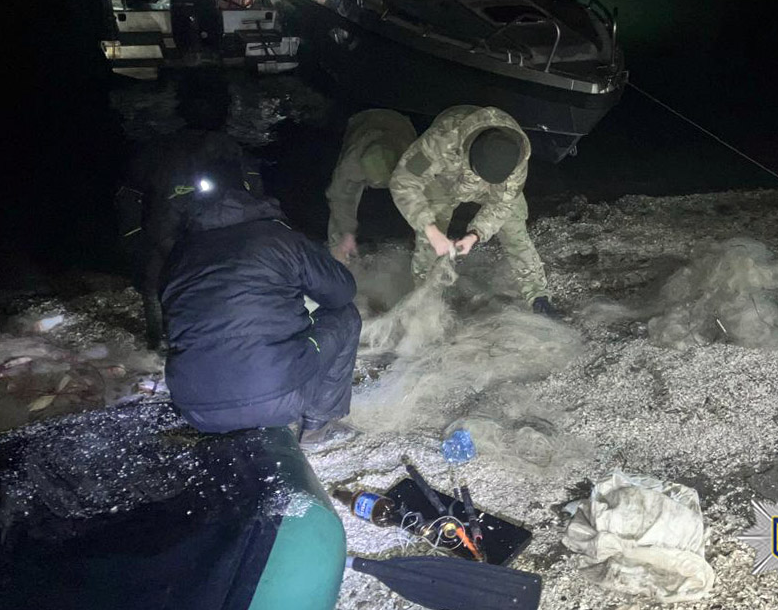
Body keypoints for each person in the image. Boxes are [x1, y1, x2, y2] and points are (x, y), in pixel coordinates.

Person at [160, 184, 362, 448]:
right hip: (277, 398)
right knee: (345, 315)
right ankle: (317, 427)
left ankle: (231, 420)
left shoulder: (179, 255)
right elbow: (342, 293)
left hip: (196, 410)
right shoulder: (278, 238)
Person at [115, 81, 262, 348]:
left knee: (159, 287)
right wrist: (133, 233)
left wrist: (133, 233)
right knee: (160, 287)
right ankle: (164, 342)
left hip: (184, 237)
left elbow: (130, 194)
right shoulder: (226, 149)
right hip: (191, 238)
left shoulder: (163, 149)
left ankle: (165, 343)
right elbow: (253, 196)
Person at [389, 105, 560, 317]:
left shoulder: (516, 158)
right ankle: (424, 300)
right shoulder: (443, 139)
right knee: (430, 241)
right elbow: (403, 181)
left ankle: (539, 297)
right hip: (445, 182)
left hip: (492, 188)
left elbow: (502, 205)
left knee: (515, 229)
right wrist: (430, 229)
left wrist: (475, 235)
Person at [325, 109, 417, 262]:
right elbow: (339, 198)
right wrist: (347, 233)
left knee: (416, 197)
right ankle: (340, 253)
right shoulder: (351, 164)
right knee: (341, 200)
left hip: (400, 124)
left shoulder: (410, 159)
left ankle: (424, 251)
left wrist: (423, 229)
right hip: (362, 120)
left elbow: (426, 195)